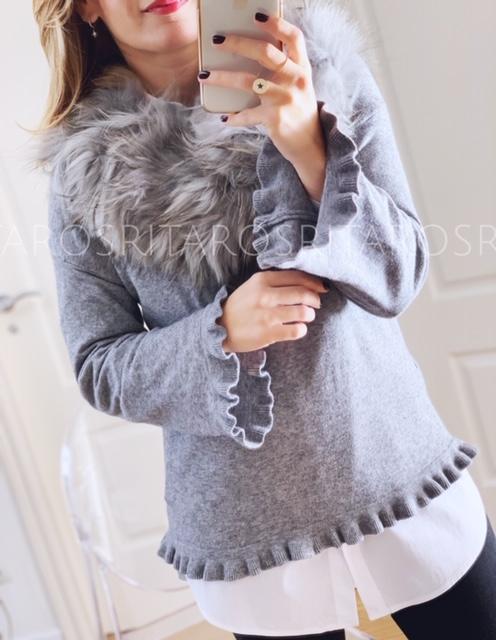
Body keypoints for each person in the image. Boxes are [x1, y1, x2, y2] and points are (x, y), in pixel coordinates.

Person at [29, 0, 496, 638]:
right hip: (247, 540)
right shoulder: (83, 174)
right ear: (84, 6)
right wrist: (221, 332)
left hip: (397, 473)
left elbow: (400, 273)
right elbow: (99, 365)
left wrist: (309, 145)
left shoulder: (323, 73)